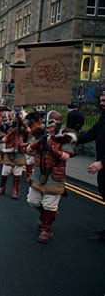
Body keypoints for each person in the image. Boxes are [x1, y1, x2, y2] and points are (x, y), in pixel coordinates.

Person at [26, 110, 77, 244]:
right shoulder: (41, 135)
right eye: (46, 124)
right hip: (38, 174)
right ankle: (45, 216)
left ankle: (46, 229)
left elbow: (66, 156)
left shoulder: (65, 138)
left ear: (58, 125)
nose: (47, 127)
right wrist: (38, 143)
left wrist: (50, 148)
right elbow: (28, 150)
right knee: (33, 200)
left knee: (50, 205)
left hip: (54, 176)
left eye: (51, 124)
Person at [78, 89, 105, 244]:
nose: (101, 103)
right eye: (101, 100)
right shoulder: (103, 117)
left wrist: (102, 162)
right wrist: (73, 139)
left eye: (104, 101)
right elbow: (92, 133)